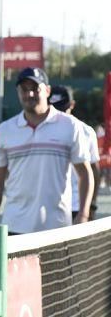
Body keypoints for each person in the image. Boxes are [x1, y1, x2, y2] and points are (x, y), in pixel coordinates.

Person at [0, 68, 94, 233]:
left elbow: (85, 174)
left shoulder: (70, 126)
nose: (29, 94)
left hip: (57, 229)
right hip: (15, 227)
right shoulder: (4, 130)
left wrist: (84, 214)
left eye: (35, 88)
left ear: (47, 90)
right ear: (18, 92)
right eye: (24, 89)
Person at [49, 85, 100, 221]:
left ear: (72, 105)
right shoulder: (41, 131)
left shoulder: (86, 131)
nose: (59, 114)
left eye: (62, 109)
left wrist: (91, 206)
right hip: (49, 207)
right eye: (54, 109)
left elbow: (94, 171)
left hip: (77, 207)